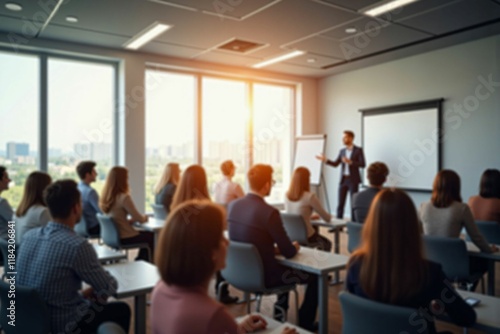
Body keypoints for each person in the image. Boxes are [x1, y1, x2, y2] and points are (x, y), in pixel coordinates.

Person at [151, 200, 298, 334]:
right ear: (210, 252)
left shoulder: (160, 290)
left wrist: (235, 327)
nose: (227, 243)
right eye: (221, 237)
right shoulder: (211, 314)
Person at [346, 189, 476, 334]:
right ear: (412, 226)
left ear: (372, 223)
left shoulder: (355, 265)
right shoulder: (430, 273)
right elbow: (466, 318)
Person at [17, 179, 130, 334]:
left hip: (29, 321)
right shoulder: (77, 245)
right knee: (121, 309)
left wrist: (82, 294)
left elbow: (43, 287)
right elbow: (108, 287)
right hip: (63, 325)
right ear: (76, 208)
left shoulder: (29, 237)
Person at [228, 164, 318, 331]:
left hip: (237, 273)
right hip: (265, 277)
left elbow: (252, 244)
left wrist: (273, 249)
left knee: (283, 268)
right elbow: (288, 252)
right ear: (267, 185)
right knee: (315, 277)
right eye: (273, 181)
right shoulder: (269, 212)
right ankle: (305, 324)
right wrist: (295, 247)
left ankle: (280, 309)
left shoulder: (233, 206)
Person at [169, 164, 238, 304]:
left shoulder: (176, 207)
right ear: (203, 183)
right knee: (221, 248)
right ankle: (222, 290)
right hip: (201, 257)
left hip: (182, 259)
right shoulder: (207, 210)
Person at [419, 170, 497, 288]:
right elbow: (476, 237)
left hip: (430, 267)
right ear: (456, 187)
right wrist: (489, 250)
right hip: (455, 269)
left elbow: (417, 235)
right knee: (484, 263)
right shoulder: (462, 209)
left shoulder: (423, 207)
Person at [100, 166, 154, 262]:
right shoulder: (124, 197)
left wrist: (127, 221)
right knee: (152, 236)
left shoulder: (106, 197)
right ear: (123, 180)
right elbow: (140, 219)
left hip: (111, 236)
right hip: (125, 236)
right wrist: (145, 217)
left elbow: (115, 216)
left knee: (147, 235)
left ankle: (140, 259)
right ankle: (144, 261)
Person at [316, 130, 366, 219]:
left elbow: (363, 164)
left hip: (353, 180)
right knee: (340, 204)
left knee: (353, 203)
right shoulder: (342, 151)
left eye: (345, 137)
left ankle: (353, 224)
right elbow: (335, 164)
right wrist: (326, 160)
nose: (343, 139)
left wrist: (351, 162)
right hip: (343, 180)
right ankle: (338, 226)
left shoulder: (358, 150)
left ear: (351, 138)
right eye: (342, 137)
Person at [284, 166, 332, 251]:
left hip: (291, 235)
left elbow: (295, 215)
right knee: (327, 243)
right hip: (307, 236)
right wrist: (330, 216)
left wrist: (308, 217)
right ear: (306, 180)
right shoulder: (310, 197)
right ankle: (318, 264)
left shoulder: (286, 195)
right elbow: (326, 218)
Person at [15, 171, 52, 244]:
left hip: (22, 253)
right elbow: (54, 238)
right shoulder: (42, 211)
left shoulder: (19, 211)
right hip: (34, 253)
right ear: (45, 189)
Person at [76, 161, 102, 235]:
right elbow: (102, 211)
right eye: (94, 171)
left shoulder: (78, 188)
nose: (96, 174)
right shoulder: (90, 192)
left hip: (81, 227)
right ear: (88, 174)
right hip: (94, 228)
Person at [0, 166, 13, 240]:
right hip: (6, 244)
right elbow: (14, 222)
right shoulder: (1, 202)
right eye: (6, 177)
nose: (9, 180)